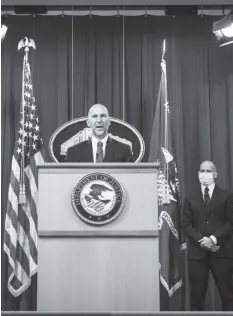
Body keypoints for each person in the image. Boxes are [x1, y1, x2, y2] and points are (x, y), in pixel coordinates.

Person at [182, 160, 233, 311]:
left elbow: (230, 222)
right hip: (197, 255)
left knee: (228, 297)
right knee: (196, 300)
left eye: (208, 171)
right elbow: (186, 224)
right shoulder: (190, 197)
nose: (204, 174)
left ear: (215, 175)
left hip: (221, 252)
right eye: (202, 171)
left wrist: (213, 239)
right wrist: (202, 241)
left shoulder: (227, 195)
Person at [65, 103, 134, 162]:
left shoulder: (124, 150)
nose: (99, 120)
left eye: (103, 116)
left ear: (109, 122)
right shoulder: (73, 152)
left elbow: (130, 176)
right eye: (95, 116)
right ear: (88, 123)